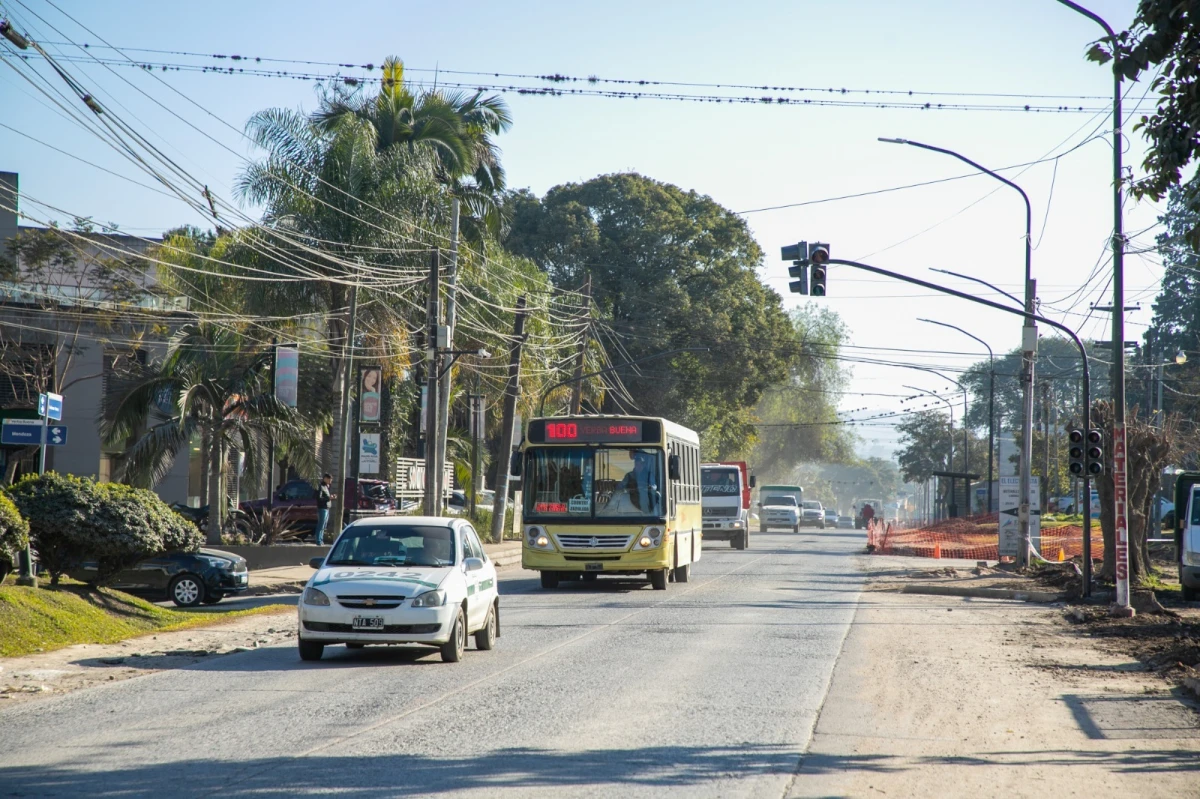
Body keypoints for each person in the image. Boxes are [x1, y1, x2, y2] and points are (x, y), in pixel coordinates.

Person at [315, 473, 336, 545]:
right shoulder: (321, 486)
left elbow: (326, 496)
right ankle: (318, 540)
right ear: (325, 479)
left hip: (327, 508)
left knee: (324, 525)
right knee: (321, 524)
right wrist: (328, 498)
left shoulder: (326, 487)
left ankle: (321, 539)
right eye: (330, 479)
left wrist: (331, 497)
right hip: (322, 508)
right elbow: (319, 498)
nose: (331, 481)